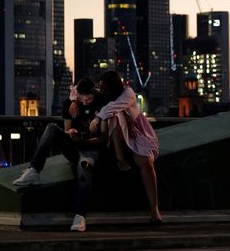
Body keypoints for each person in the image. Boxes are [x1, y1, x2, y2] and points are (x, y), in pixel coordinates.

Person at [11, 77, 105, 232]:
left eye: (89, 99)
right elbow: (67, 129)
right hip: (75, 147)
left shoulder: (102, 104)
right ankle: (34, 170)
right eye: (82, 100)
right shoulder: (71, 104)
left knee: (84, 166)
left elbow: (103, 137)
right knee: (52, 128)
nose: (86, 102)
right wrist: (71, 133)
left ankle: (80, 216)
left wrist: (84, 140)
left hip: (91, 149)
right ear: (77, 97)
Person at [89, 70, 162, 224]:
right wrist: (76, 102)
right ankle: (120, 159)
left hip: (138, 133)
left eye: (104, 87)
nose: (102, 90)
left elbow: (112, 108)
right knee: (115, 115)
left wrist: (96, 119)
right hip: (119, 136)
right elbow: (80, 91)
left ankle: (154, 210)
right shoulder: (105, 96)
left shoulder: (128, 93)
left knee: (147, 164)